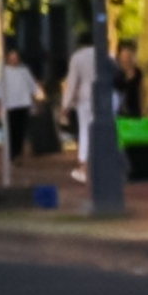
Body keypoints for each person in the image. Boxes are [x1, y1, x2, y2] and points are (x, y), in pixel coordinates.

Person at [0, 46, 42, 167]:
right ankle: (12, 154)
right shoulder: (3, 72)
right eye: (12, 57)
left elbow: (32, 86)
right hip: (10, 105)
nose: (14, 60)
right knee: (11, 130)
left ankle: (17, 154)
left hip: (23, 104)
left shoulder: (24, 71)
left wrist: (34, 100)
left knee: (20, 131)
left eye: (16, 57)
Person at [61, 29, 98, 182]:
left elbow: (72, 82)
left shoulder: (77, 57)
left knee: (84, 131)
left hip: (85, 99)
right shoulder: (105, 55)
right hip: (104, 98)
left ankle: (83, 167)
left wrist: (65, 104)